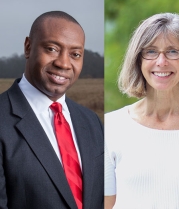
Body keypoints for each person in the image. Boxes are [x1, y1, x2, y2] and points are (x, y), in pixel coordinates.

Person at [104, 13, 179, 209]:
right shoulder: (111, 127)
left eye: (173, 52)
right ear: (138, 60)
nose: (161, 61)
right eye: (151, 51)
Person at [0, 11, 103, 209]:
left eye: (75, 54)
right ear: (28, 47)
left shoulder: (92, 122)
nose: (63, 63)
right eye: (52, 49)